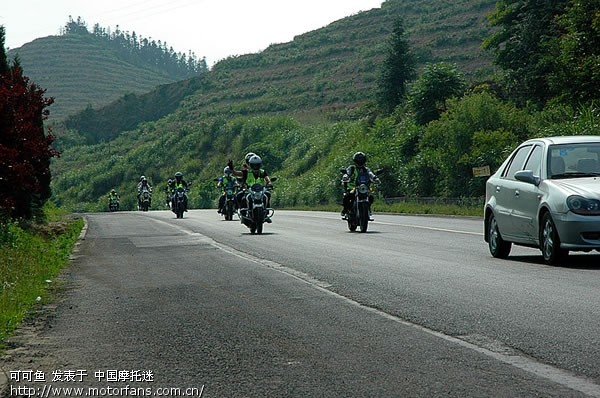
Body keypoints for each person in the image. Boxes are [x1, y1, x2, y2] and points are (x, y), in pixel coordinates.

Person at [341, 151, 380, 220]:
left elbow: (370, 174)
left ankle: (368, 209)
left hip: (363, 188)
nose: (360, 162)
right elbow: (347, 173)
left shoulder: (366, 169)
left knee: (370, 197)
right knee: (346, 197)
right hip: (352, 188)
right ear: (355, 161)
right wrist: (346, 176)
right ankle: (345, 210)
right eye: (358, 161)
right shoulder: (351, 168)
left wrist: (375, 178)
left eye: (361, 161)